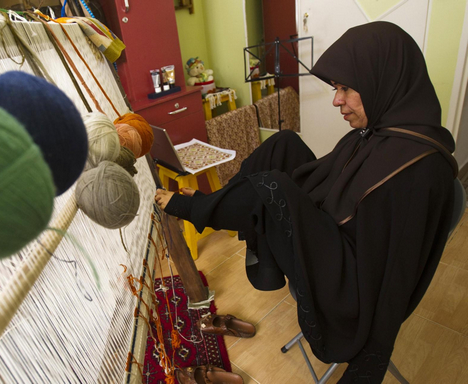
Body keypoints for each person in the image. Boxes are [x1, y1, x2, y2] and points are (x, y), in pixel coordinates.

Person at [155, 21, 458, 383]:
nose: (336, 99)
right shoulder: (383, 130)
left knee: (274, 187)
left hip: (350, 283)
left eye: (346, 88)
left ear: (383, 77)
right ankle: (218, 206)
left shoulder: (417, 171)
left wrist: (368, 364)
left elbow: (395, 280)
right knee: (283, 144)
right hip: (339, 233)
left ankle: (197, 208)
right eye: (336, 88)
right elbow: (330, 176)